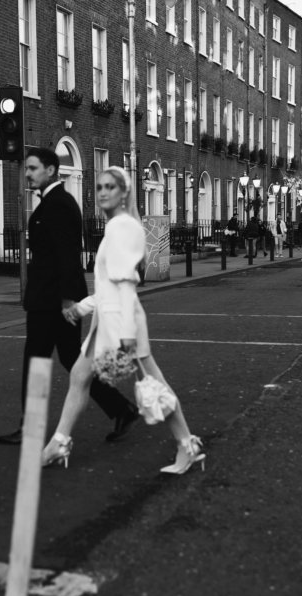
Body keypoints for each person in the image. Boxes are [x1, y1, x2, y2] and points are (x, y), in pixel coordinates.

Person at [41, 166, 206, 475]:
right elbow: (109, 286)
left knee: (155, 387)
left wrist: (126, 336)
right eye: (100, 186)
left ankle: (188, 445)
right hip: (108, 319)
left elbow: (125, 286)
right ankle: (58, 444)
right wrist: (83, 308)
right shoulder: (117, 225)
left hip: (122, 324)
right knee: (79, 376)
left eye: (110, 187)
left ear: (124, 193)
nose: (103, 192)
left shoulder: (122, 227)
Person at [0, 149, 138, 446]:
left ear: (50, 170)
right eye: (27, 169)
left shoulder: (58, 204)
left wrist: (66, 302)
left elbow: (66, 257)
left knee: (38, 360)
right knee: (72, 358)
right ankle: (121, 409)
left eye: (33, 168)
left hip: (51, 302)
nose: (28, 173)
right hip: (53, 298)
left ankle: (31, 429)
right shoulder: (54, 202)